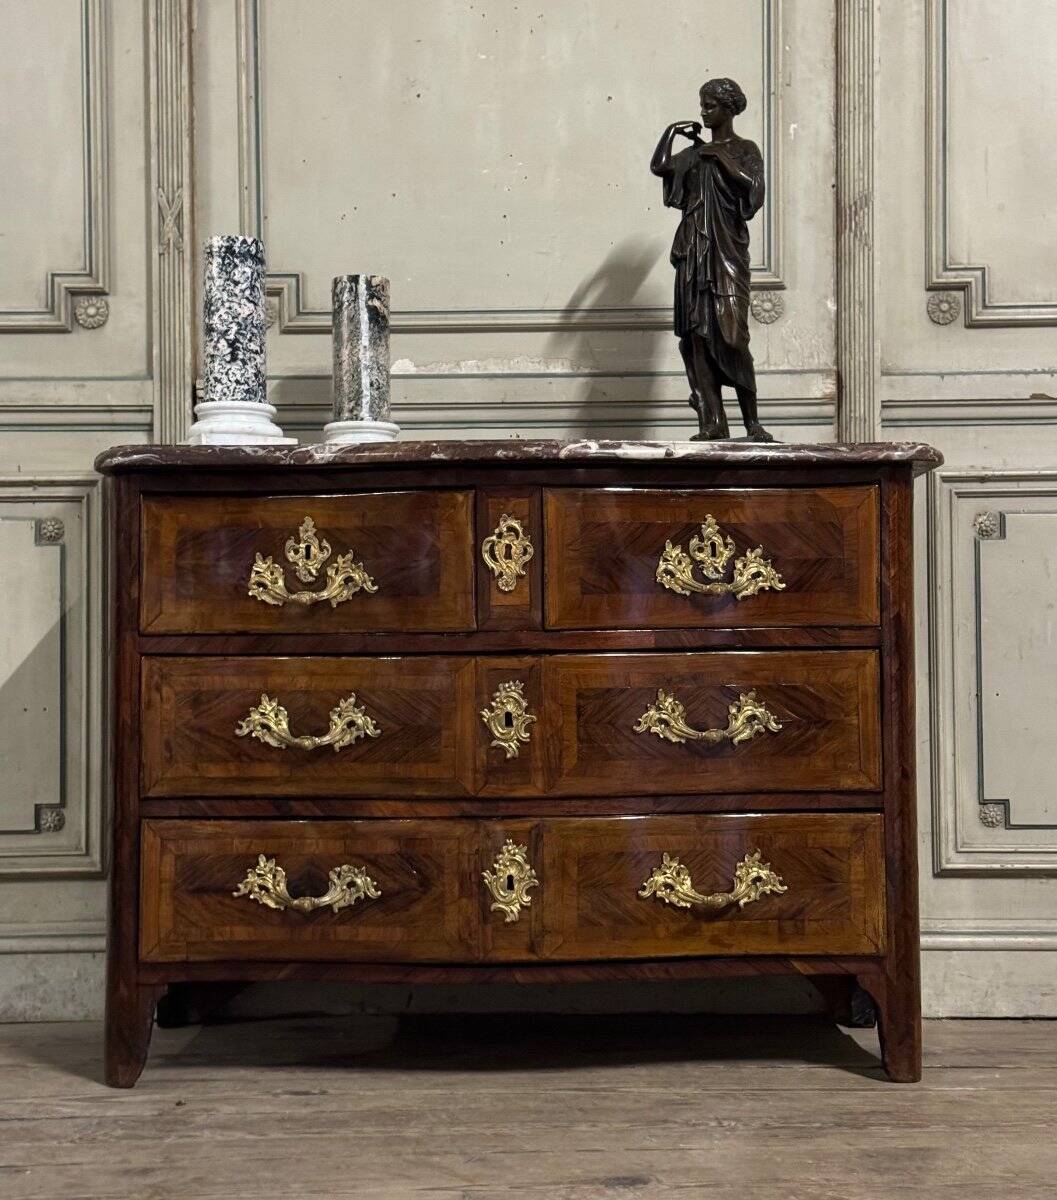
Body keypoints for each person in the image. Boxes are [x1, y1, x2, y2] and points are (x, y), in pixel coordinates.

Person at [651, 77, 773, 441]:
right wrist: (672, 132)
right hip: (694, 254)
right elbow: (659, 167)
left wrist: (721, 156)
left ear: (728, 108)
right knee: (698, 337)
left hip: (728, 253)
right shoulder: (694, 154)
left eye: (710, 106)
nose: (703, 112)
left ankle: (752, 423)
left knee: (733, 336)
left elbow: (755, 191)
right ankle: (713, 422)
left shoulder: (746, 149)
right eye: (701, 105)